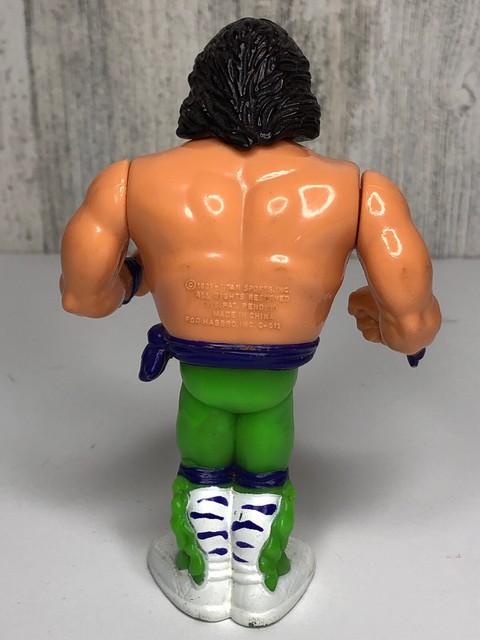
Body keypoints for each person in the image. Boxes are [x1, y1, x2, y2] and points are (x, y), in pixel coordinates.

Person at [60, 17, 441, 627]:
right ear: (297, 94)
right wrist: (381, 322)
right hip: (275, 372)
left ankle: (204, 570)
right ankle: (258, 573)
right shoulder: (357, 190)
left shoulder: (130, 180)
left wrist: (136, 276)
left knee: (204, 440)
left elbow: (84, 295)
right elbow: (413, 320)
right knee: (265, 443)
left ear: (201, 91)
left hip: (198, 362)